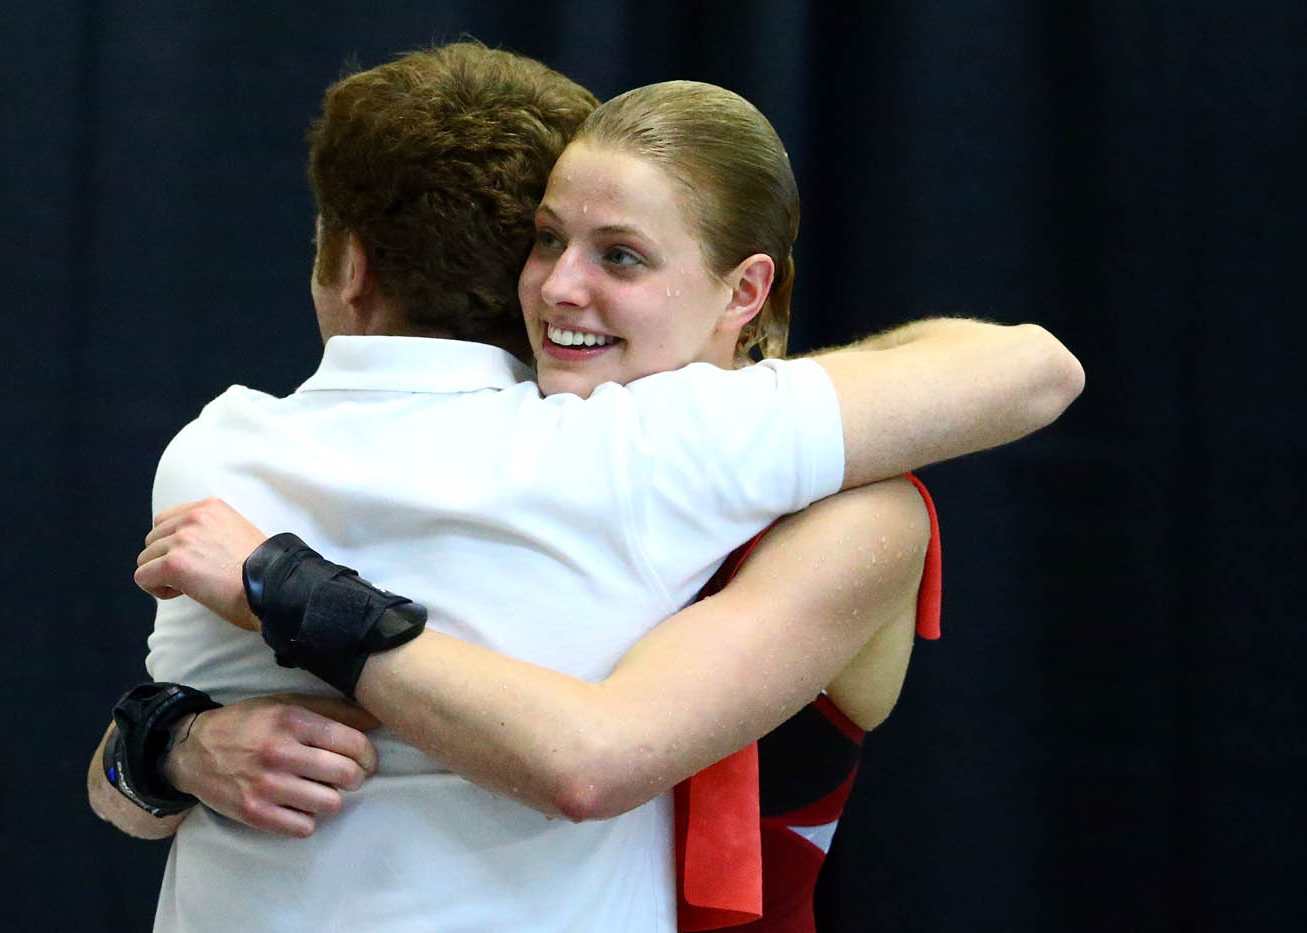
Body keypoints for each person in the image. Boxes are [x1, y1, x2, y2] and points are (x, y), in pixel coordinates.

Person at [87, 45, 1084, 932]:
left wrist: (284, 587)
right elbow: (131, 775)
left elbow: (591, 759)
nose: (559, 287)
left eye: (620, 257)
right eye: (544, 240)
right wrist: (175, 742)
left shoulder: (823, 502)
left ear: (742, 292)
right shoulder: (556, 445)